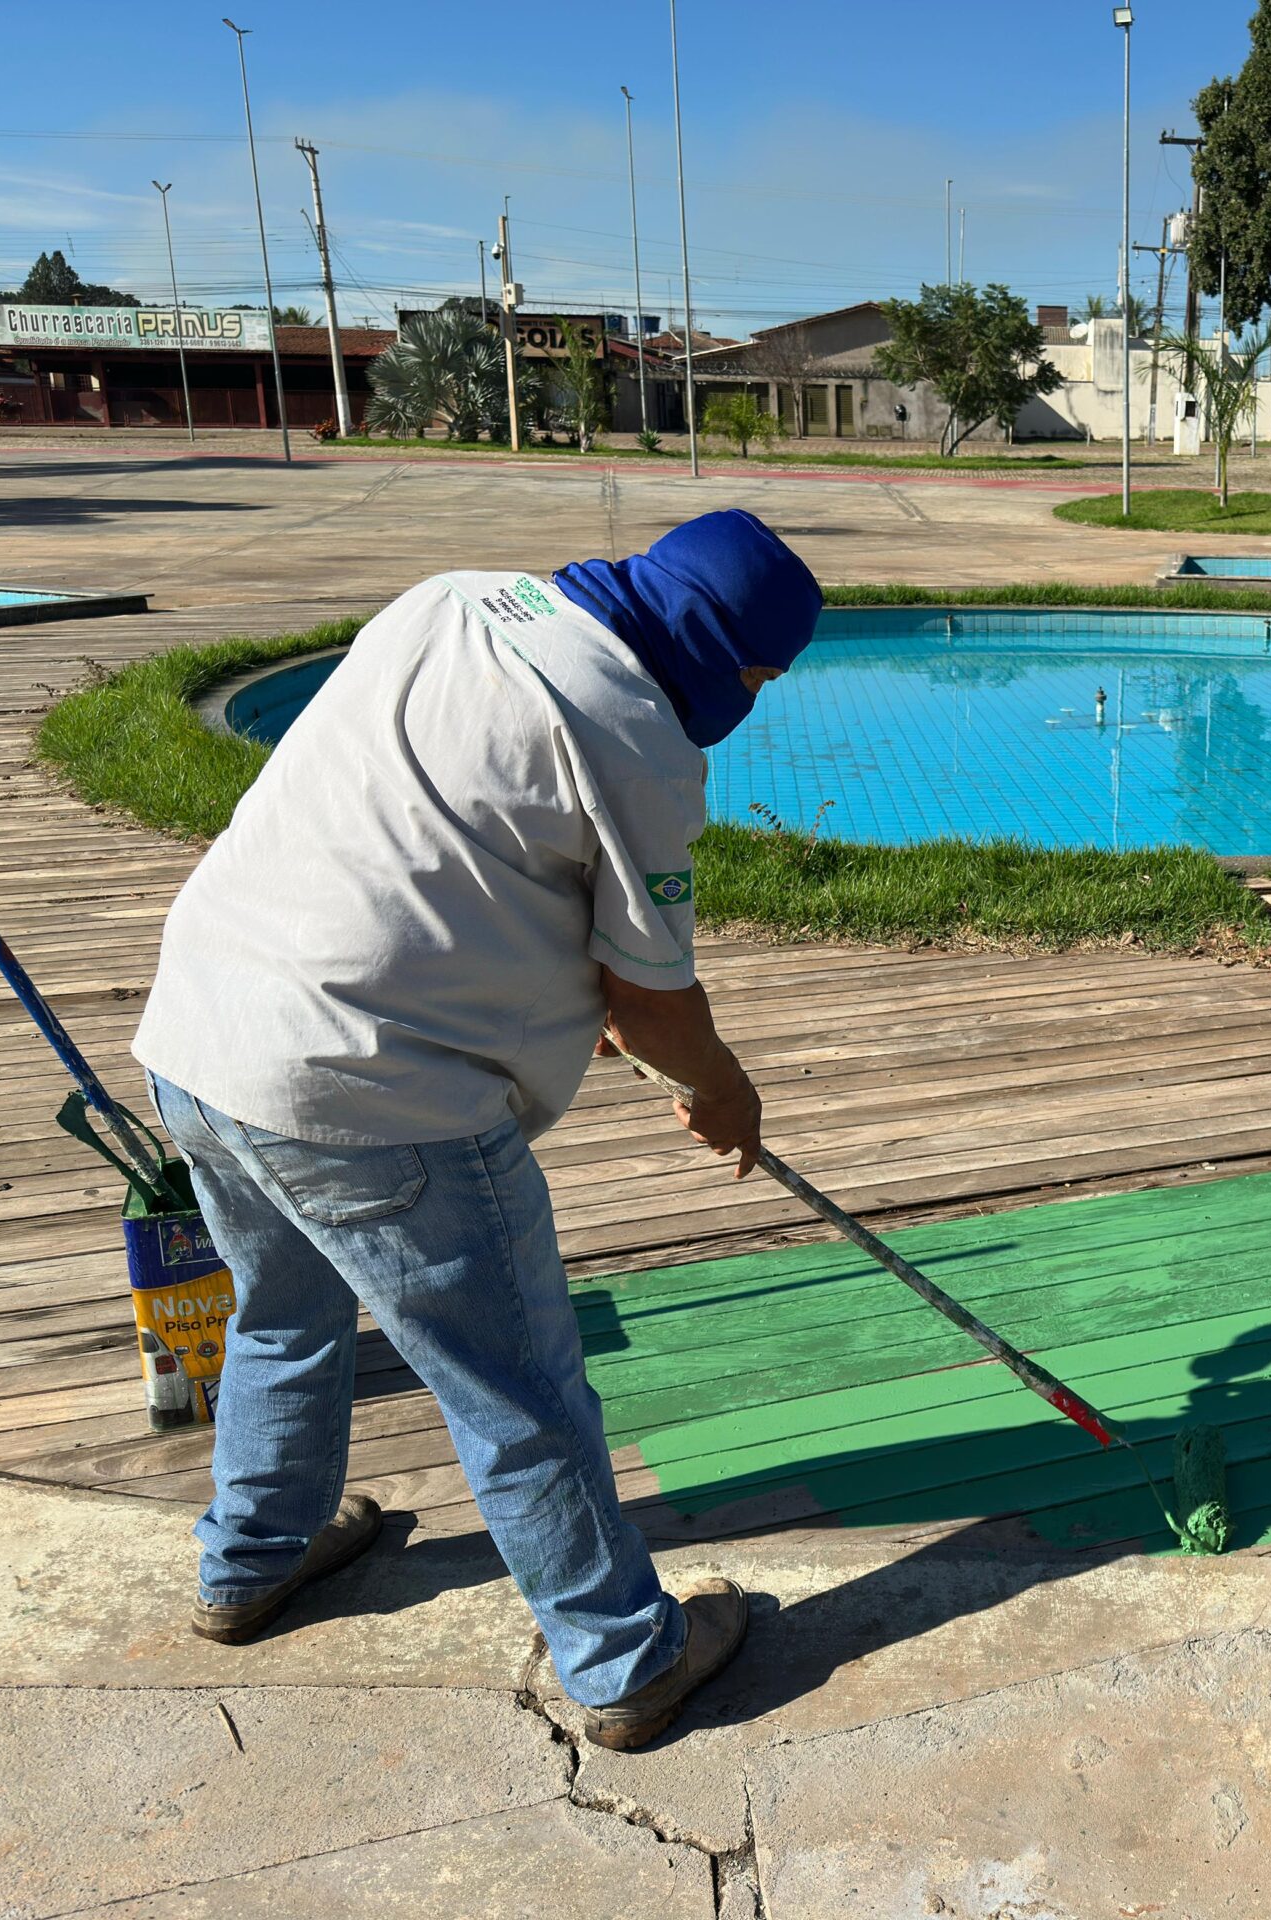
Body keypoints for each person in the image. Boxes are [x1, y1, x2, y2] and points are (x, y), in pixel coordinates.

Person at [132, 509, 821, 1751]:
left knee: (281, 1310)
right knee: (518, 1387)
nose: (753, 706)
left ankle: (250, 1560)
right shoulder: (637, 738)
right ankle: (622, 1659)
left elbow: (443, 832)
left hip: (202, 1033)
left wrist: (556, 994)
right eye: (760, 680)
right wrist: (720, 1091)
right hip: (372, 1099)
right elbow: (656, 998)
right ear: (722, 651)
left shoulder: (450, 595)